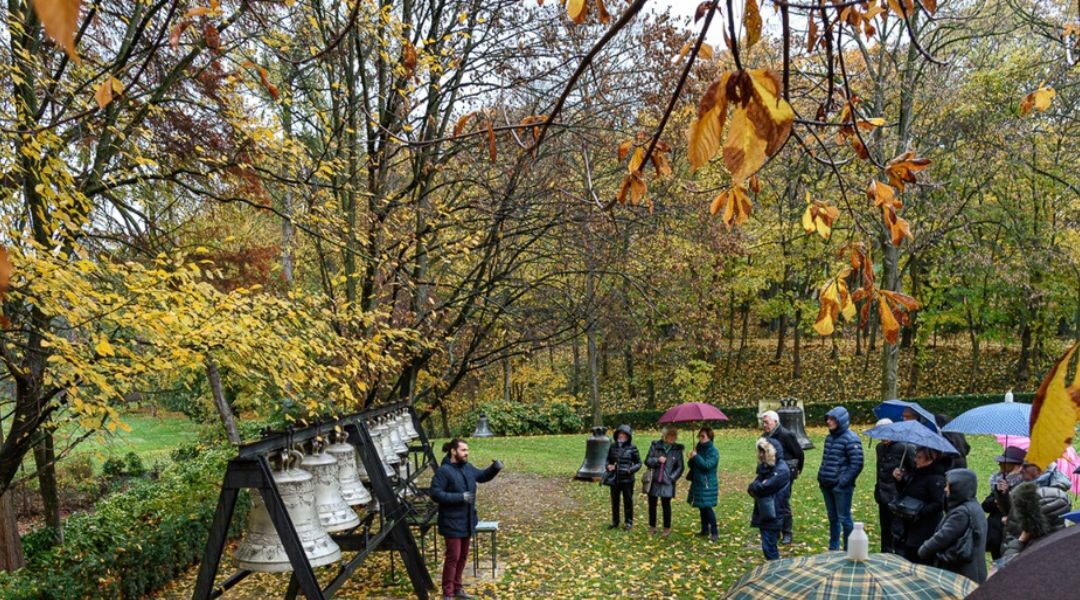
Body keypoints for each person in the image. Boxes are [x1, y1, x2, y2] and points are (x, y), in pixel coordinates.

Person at [429, 439, 503, 600]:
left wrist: (494, 468)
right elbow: (435, 493)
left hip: (467, 520)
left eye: (467, 450)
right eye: (463, 450)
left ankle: (458, 588)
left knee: (462, 556)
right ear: (453, 452)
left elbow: (482, 476)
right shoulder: (444, 471)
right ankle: (447, 593)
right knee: (453, 557)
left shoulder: (467, 467)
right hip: (451, 521)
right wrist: (460, 497)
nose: (466, 453)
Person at [918, 468, 988, 584]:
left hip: (960, 573)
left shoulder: (961, 513)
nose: (945, 489)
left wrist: (924, 550)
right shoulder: (974, 506)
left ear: (958, 488)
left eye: (948, 486)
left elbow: (942, 537)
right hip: (974, 569)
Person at [817, 406, 863, 551]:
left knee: (844, 518)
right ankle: (833, 547)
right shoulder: (829, 438)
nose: (828, 422)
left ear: (840, 421)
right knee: (833, 518)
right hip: (826, 484)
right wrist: (821, 477)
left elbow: (857, 464)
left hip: (841, 487)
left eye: (832, 419)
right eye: (828, 419)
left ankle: (848, 549)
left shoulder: (851, 439)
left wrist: (842, 482)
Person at [891, 446, 946, 564]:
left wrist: (918, 511)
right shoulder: (916, 472)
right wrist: (899, 481)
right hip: (909, 526)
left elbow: (939, 504)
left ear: (931, 459)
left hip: (925, 529)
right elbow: (907, 493)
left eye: (920, 457)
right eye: (916, 456)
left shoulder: (936, 478)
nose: (916, 459)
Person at [760, 410, 804, 544]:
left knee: (783, 502)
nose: (764, 425)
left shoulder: (786, 435)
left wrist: (797, 470)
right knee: (771, 502)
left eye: (766, 422)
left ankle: (787, 533)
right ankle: (775, 530)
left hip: (785, 473)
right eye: (763, 422)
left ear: (775, 421)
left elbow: (799, 453)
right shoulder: (764, 436)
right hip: (770, 473)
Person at [873, 418, 914, 553]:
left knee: (896, 531)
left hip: (897, 497)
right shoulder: (879, 448)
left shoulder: (905, 448)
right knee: (885, 529)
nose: (884, 437)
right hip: (882, 495)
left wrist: (903, 477)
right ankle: (884, 553)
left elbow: (915, 472)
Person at [748, 437, 791, 560]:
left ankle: (775, 571)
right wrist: (757, 486)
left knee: (769, 547)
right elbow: (753, 487)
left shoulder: (781, 470)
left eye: (763, 452)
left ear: (771, 453)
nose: (761, 455)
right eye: (760, 452)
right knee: (768, 545)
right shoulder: (766, 468)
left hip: (774, 512)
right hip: (766, 512)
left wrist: (758, 486)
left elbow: (763, 487)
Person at [982, 446, 1026, 559]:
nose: (999, 465)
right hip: (995, 533)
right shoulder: (998, 481)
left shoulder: (1023, 485)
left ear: (1016, 465)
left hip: (1009, 534)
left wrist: (1006, 495)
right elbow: (985, 506)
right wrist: (996, 499)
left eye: (1004, 462)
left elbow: (1015, 509)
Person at [644, 426, 685, 536]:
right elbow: (647, 460)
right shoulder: (655, 446)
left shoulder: (677, 450)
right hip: (654, 480)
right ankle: (652, 526)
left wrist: (672, 478)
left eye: (674, 435)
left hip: (668, 482)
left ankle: (666, 528)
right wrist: (657, 460)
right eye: (670, 435)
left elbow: (680, 467)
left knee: (666, 505)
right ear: (664, 436)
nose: (672, 438)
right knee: (652, 504)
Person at [605, 424, 641, 530]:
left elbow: (639, 463)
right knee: (615, 501)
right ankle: (615, 521)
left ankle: (628, 522)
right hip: (614, 478)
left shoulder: (632, 447)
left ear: (628, 436)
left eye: (624, 434)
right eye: (620, 434)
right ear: (617, 435)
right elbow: (607, 460)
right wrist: (608, 466)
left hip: (628, 479)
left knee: (628, 501)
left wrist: (631, 470)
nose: (622, 436)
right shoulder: (612, 446)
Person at [687, 427, 720, 542]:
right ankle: (704, 529)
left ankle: (714, 531)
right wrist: (691, 458)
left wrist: (696, 456)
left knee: (707, 506)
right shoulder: (698, 448)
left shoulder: (713, 451)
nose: (700, 438)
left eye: (703, 436)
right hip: (698, 481)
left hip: (707, 483)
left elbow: (707, 465)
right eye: (699, 436)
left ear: (709, 437)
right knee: (701, 506)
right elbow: (692, 465)